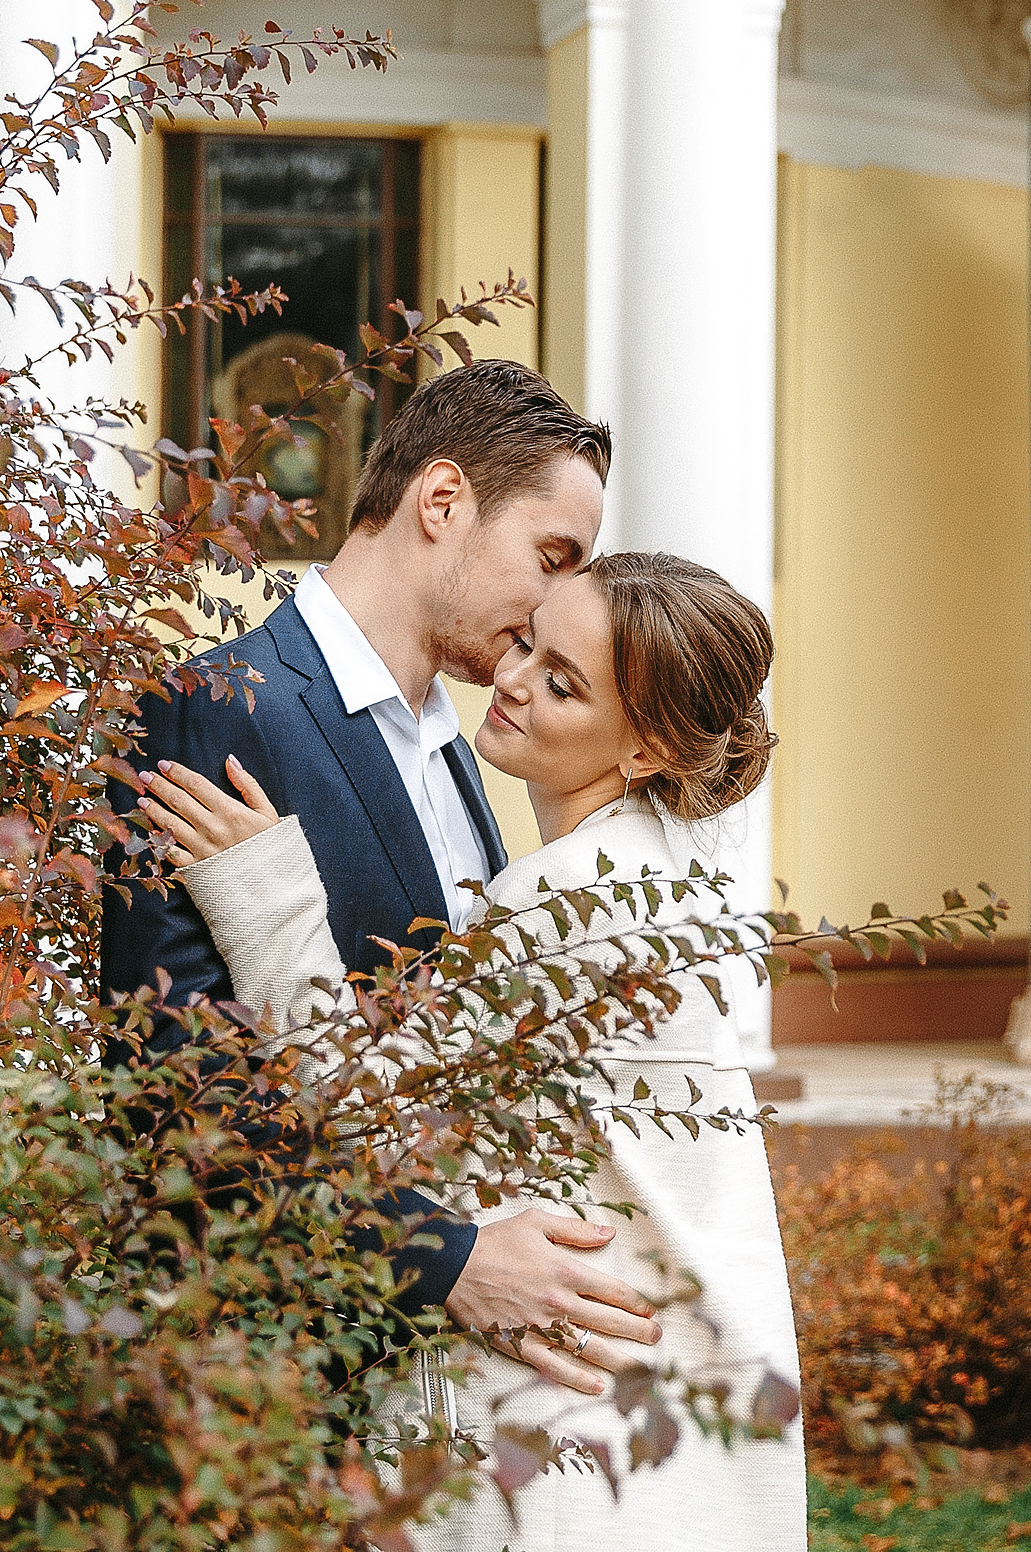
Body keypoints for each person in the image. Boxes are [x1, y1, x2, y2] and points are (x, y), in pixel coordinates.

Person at [133, 551, 805, 1551]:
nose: (516, 676)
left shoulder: (579, 900)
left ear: (645, 750)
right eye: (531, 638)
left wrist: (264, 888)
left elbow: (362, 1103)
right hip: (667, 1422)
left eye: (565, 681)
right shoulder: (659, 872)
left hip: (576, 1444)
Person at [101, 360, 662, 1395]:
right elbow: (180, 1097)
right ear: (441, 501)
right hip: (263, 1385)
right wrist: (441, 1260)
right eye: (551, 557)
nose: (564, 600)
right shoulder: (220, 707)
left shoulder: (462, 751)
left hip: (423, 1407)